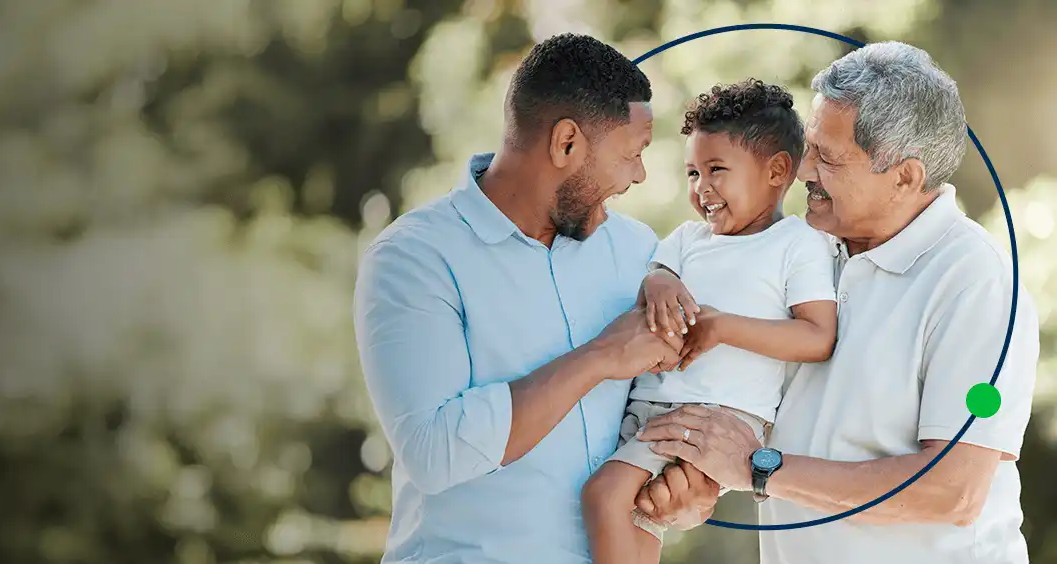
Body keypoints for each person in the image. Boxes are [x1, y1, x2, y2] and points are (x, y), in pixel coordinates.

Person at [637, 42, 1040, 563]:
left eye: (827, 157)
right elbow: (764, 426)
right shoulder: (798, 252)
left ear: (904, 177)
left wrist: (760, 469)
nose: (803, 170)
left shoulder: (975, 281)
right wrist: (700, 484)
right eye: (809, 148)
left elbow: (952, 490)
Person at [352, 33, 717, 563]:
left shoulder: (640, 253)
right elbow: (433, 452)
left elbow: (663, 415)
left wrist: (690, 494)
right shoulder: (414, 258)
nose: (638, 175)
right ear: (566, 143)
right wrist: (600, 357)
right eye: (631, 155)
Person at [581, 79, 839, 564]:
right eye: (693, 173)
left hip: (716, 415)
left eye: (717, 169)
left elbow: (817, 336)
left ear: (777, 171)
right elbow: (656, 279)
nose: (702, 187)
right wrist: (658, 280)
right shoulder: (686, 238)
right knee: (641, 516)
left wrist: (722, 327)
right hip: (653, 403)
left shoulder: (798, 244)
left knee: (603, 495)